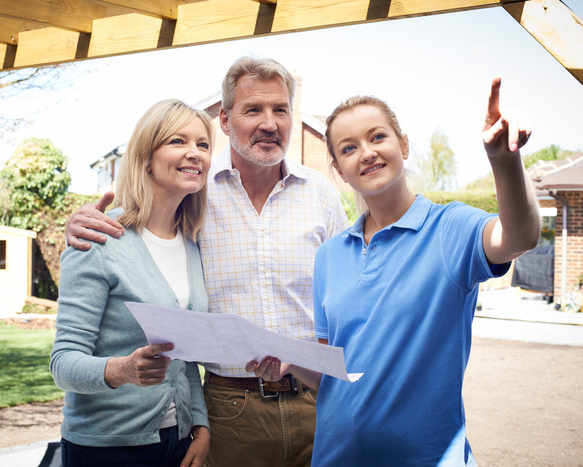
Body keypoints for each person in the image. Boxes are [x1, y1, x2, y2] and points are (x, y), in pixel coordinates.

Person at [65, 57, 350, 467]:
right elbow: (138, 229)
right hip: (230, 409)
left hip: (316, 400)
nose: (270, 123)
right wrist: (79, 223)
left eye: (281, 110)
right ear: (226, 121)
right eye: (253, 109)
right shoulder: (194, 193)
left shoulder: (320, 194)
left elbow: (349, 290)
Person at [247, 77, 541, 466]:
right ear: (339, 170)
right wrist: (292, 362)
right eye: (349, 148)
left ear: (403, 145)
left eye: (378, 137)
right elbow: (335, 376)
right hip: (336, 457)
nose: (366, 153)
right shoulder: (329, 256)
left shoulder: (449, 228)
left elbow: (520, 236)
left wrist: (504, 161)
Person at [50, 99, 213, 467]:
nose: (195, 153)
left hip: (179, 443)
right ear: (145, 158)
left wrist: (200, 427)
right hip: (107, 448)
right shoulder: (97, 240)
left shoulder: (189, 244)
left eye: (203, 144)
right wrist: (122, 370)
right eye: (178, 141)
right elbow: (62, 363)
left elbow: (181, 356)